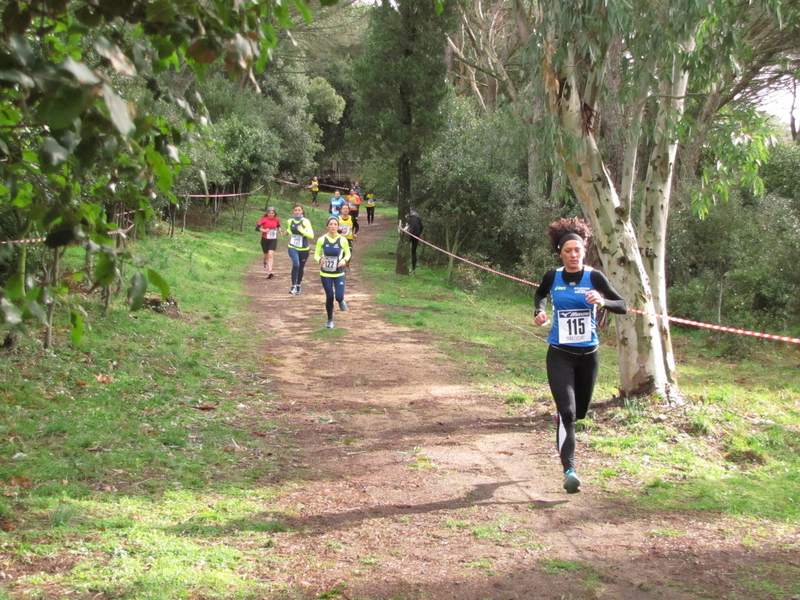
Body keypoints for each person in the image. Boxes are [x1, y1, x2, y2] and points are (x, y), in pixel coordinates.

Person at [533, 218, 627, 494]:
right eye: (567, 251)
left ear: (584, 250)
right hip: (560, 354)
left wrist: (603, 301)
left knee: (581, 412)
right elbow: (539, 294)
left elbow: (622, 305)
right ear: (560, 253)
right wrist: (538, 312)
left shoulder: (594, 277)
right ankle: (570, 471)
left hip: (589, 355)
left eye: (577, 250)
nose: (573, 255)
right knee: (569, 413)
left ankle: (564, 418)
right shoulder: (553, 277)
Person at [315, 216, 351, 329]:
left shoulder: (342, 240)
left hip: (339, 273)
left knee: (338, 296)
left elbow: (348, 254)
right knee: (329, 296)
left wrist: (343, 260)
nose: (333, 226)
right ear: (327, 226)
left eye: (335, 224)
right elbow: (316, 254)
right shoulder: (321, 239)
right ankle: (330, 320)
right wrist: (319, 260)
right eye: (331, 224)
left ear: (338, 226)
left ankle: (341, 301)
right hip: (325, 273)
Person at [285, 204, 314, 295]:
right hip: (293, 247)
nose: (297, 212)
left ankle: (298, 286)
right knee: (296, 264)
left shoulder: (305, 221)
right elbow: (290, 230)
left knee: (301, 267)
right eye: (295, 210)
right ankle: (293, 286)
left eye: (299, 210)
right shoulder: (290, 221)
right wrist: (285, 232)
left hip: (304, 248)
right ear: (293, 211)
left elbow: (311, 235)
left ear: (302, 211)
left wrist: (302, 231)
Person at [256, 206, 283, 279]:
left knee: (270, 255)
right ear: (267, 213)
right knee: (266, 255)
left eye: (272, 213)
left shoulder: (276, 220)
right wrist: (264, 230)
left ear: (275, 214)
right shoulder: (264, 219)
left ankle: (270, 271)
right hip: (265, 239)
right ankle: (264, 262)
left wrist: (280, 230)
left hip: (273, 240)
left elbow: (278, 226)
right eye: (270, 213)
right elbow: (257, 228)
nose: (271, 214)